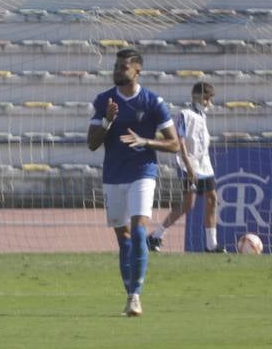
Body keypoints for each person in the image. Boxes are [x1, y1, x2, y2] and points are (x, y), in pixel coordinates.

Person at [86, 48, 180, 317]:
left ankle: (135, 296)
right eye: (116, 66)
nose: (117, 71)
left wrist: (145, 141)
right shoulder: (104, 100)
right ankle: (129, 292)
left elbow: (174, 143)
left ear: (137, 71)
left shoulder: (152, 102)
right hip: (113, 176)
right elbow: (92, 144)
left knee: (140, 231)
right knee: (124, 239)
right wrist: (107, 120)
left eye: (123, 67)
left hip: (143, 172)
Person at [149, 82, 218, 252]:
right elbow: (180, 140)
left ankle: (211, 245)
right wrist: (188, 166)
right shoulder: (185, 114)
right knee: (188, 205)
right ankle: (155, 236)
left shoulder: (202, 116)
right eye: (207, 98)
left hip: (205, 166)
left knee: (212, 199)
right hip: (191, 166)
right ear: (198, 97)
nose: (209, 102)